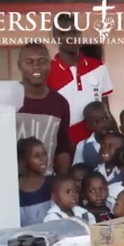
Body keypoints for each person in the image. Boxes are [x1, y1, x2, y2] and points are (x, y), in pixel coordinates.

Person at [48, 14, 113, 147]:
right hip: (64, 145)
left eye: (74, 32)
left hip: (98, 143)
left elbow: (106, 108)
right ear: (55, 37)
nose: (70, 37)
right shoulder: (48, 71)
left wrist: (114, 135)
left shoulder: (98, 67)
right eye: (64, 33)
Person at [17, 43, 72, 175]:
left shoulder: (59, 102)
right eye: (29, 62)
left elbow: (62, 147)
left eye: (42, 61)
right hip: (11, 181)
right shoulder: (8, 99)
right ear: (19, 65)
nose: (36, 66)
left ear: (50, 65)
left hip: (46, 182)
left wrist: (62, 179)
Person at [18, 137, 52, 226]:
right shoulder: (15, 186)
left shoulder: (52, 183)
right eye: (36, 156)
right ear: (22, 160)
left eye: (44, 154)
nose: (43, 158)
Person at [72, 102, 113, 169]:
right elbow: (78, 168)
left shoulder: (120, 140)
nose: (102, 124)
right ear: (88, 125)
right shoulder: (82, 146)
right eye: (96, 122)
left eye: (105, 118)